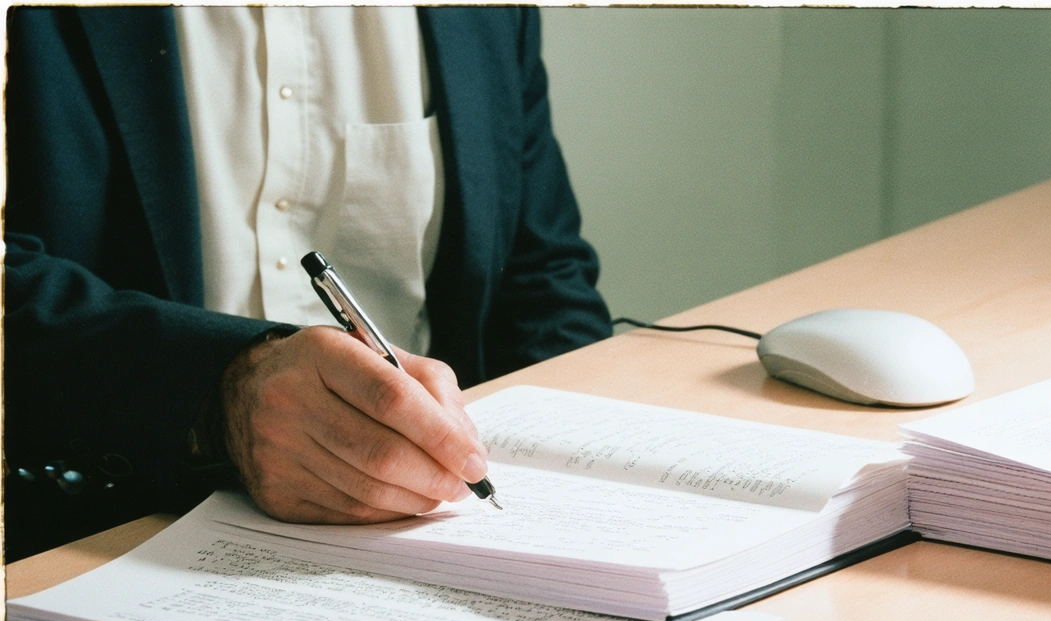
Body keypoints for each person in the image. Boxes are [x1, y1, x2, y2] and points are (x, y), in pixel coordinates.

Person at [3, 6, 612, 559]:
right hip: (100, 533)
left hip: (428, 532)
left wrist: (583, 473)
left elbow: (543, 275)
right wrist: (220, 402)